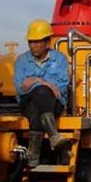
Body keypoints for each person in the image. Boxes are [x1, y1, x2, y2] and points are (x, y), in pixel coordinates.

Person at [13, 19, 70, 167]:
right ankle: (53, 135)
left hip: (54, 103)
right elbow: (20, 88)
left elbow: (62, 87)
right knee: (40, 93)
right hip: (27, 101)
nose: (33, 46)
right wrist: (45, 83)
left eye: (37, 42)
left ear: (47, 42)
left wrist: (35, 81)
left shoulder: (60, 59)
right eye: (30, 42)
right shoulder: (22, 61)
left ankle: (34, 155)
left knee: (37, 103)